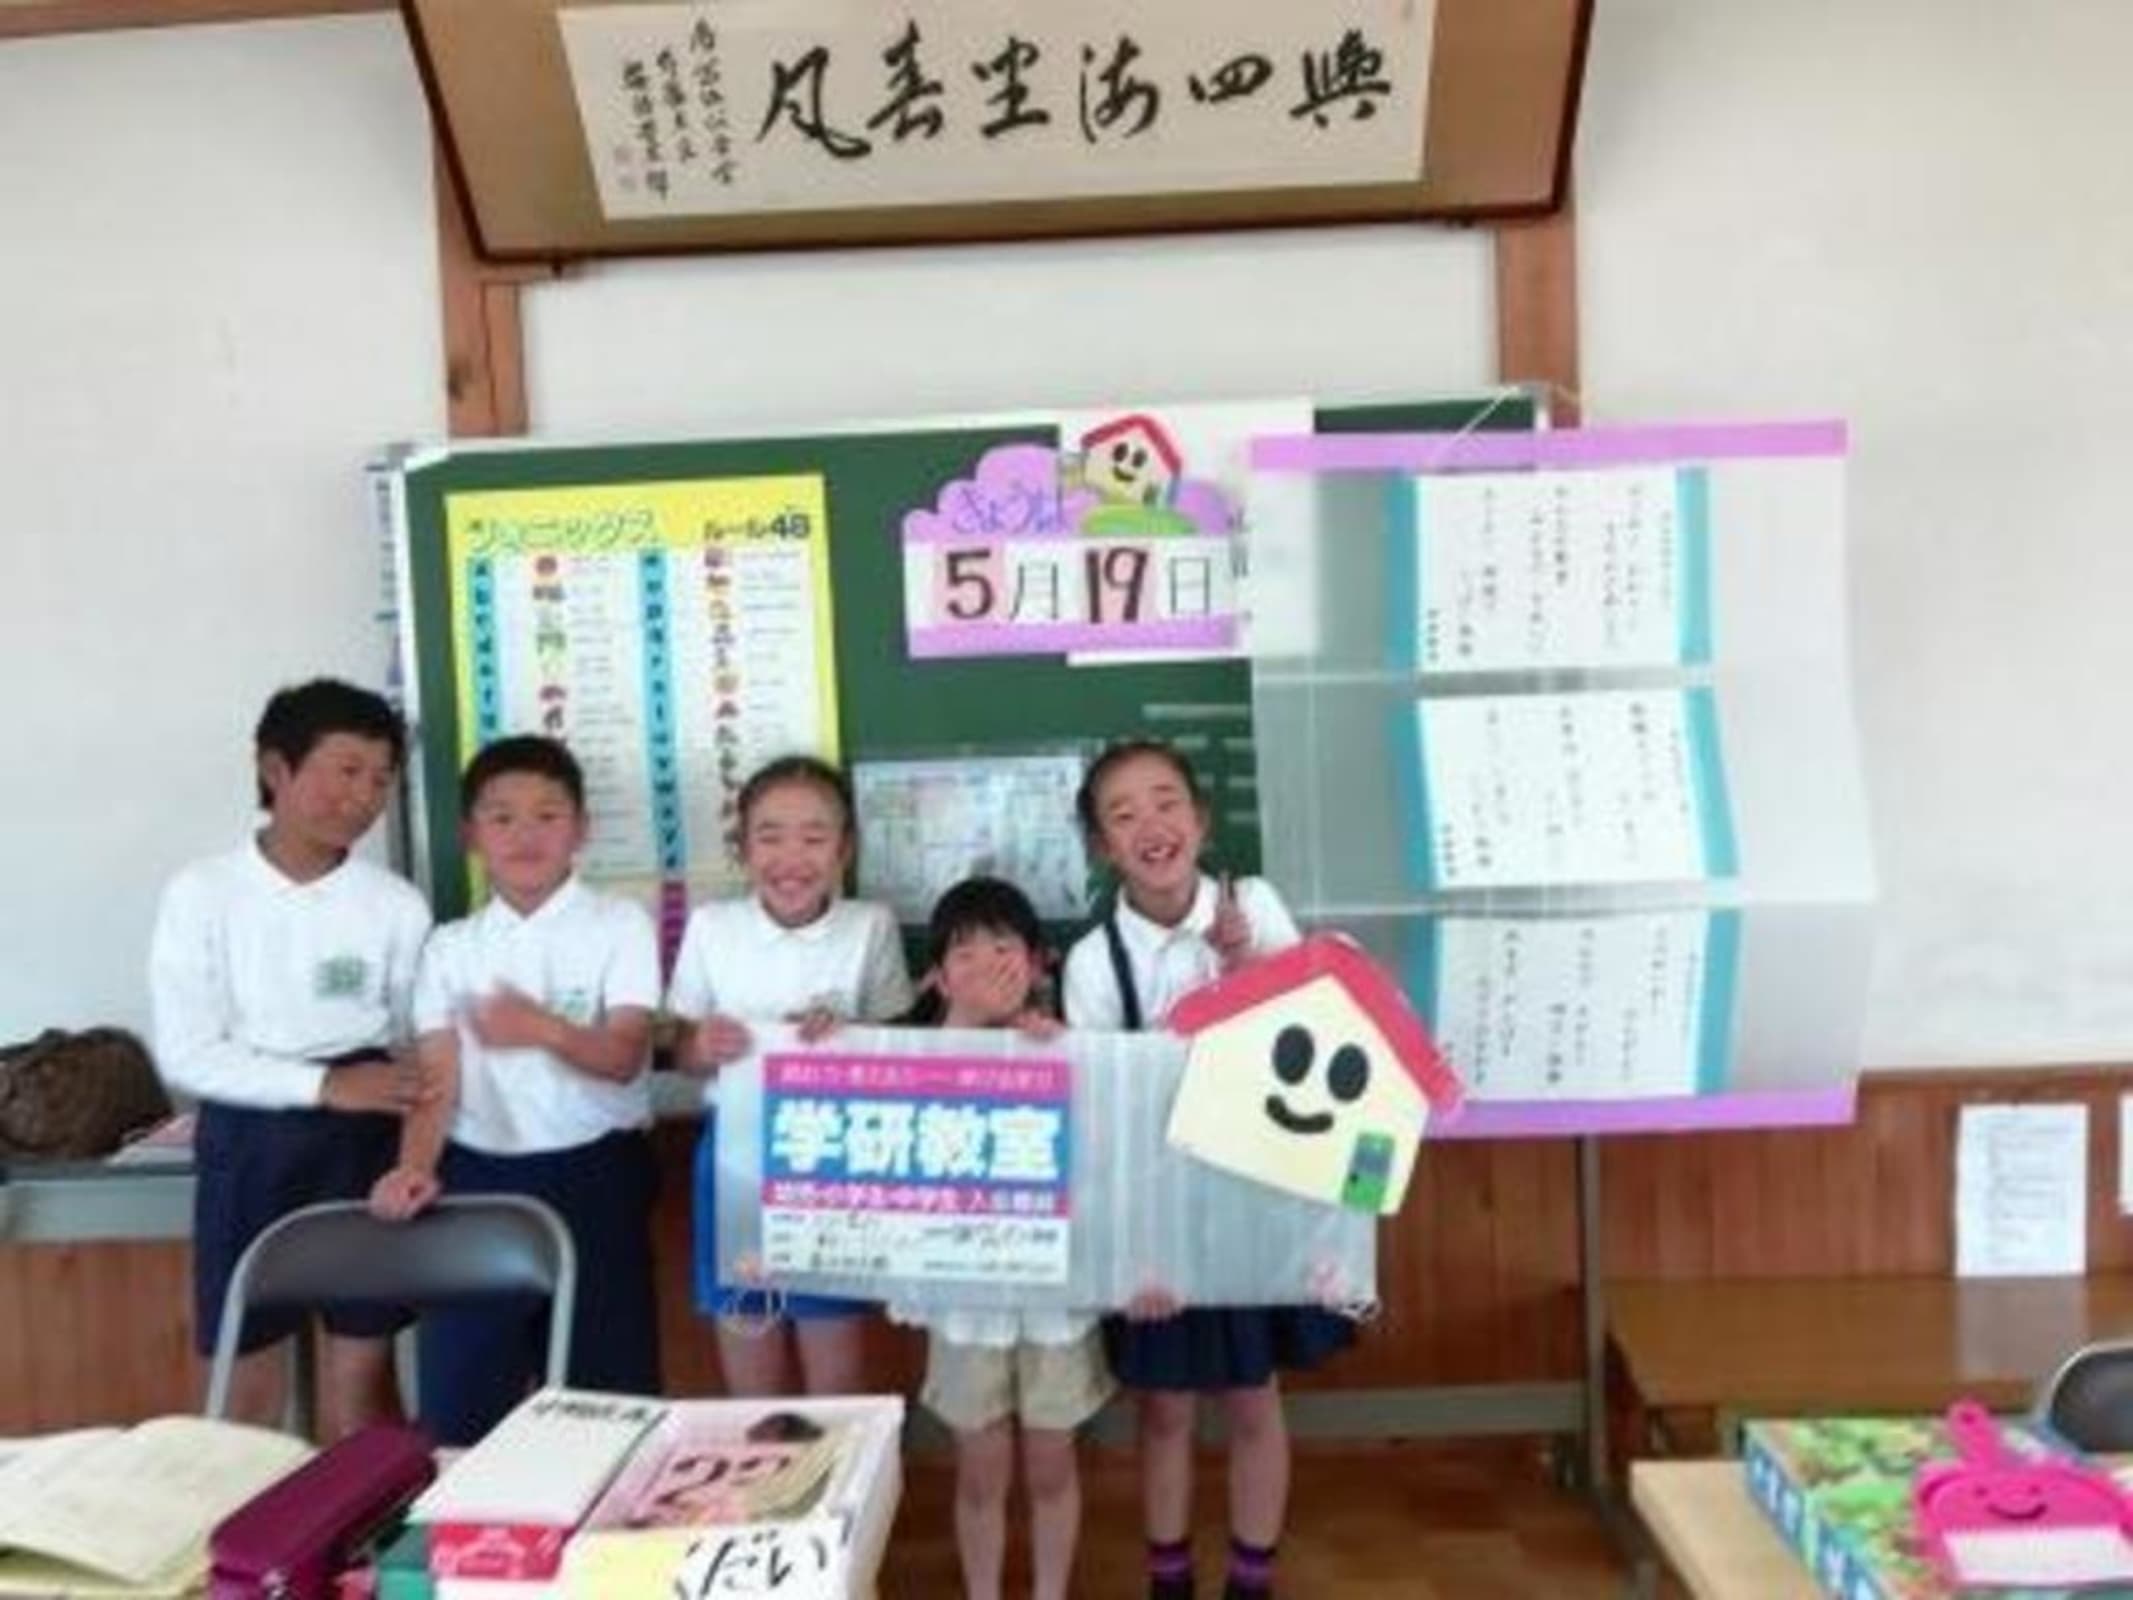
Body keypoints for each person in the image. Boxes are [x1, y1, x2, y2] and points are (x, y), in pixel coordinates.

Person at [1060, 739, 1354, 1600]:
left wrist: (1245, 967)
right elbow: (1102, 1108)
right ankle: (1169, 1577)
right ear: (1101, 846)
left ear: (1200, 818)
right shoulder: (1092, 962)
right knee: (1164, 1406)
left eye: (1166, 802)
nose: (1150, 825)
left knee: (1253, 1395)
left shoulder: (1251, 904)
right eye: (1122, 815)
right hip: (1156, 1210)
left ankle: (1251, 1579)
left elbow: (1312, 1029)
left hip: (1254, 1196)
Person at [148, 677, 431, 1437]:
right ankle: (245, 1516)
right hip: (251, 1139)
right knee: (245, 1383)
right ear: (275, 768)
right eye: (346, 770)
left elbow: (416, 1038)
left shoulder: (395, 904)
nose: (364, 797)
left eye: (380, 779)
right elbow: (189, 1055)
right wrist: (325, 1085)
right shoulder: (203, 892)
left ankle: (371, 1512)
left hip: (366, 1141)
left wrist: (388, 1111)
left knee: (362, 1377)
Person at [368, 735, 661, 1444]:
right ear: (471, 836)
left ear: (580, 829)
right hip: (477, 1181)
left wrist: (543, 1028)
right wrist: (412, 1166)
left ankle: (602, 1517)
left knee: (606, 1398)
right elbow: (438, 1076)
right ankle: (469, 1516)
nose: (525, 835)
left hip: (597, 1173)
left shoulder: (620, 923)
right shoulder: (451, 946)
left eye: (547, 815)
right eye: (501, 818)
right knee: (463, 1397)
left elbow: (624, 1056)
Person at [892, 876, 1112, 1600]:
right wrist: (963, 1022)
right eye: (963, 952)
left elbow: (1104, 1160)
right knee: (980, 1470)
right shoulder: (913, 1053)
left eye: (1002, 946)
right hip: (966, 1303)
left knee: (1051, 1464)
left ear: (1039, 960)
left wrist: (1059, 1053)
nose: (986, 963)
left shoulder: (1069, 1045)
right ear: (935, 975)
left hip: (1053, 1299)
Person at [666, 754, 912, 1397]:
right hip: (736, 1153)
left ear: (844, 849)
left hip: (835, 1156)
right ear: (743, 849)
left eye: (814, 837)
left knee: (837, 1371)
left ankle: (839, 1467)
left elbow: (898, 1053)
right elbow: (682, 1052)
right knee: (751, 1356)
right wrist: (703, 1043)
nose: (791, 858)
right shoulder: (712, 928)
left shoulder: (869, 926)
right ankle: (761, 1460)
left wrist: (848, 1036)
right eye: (770, 837)